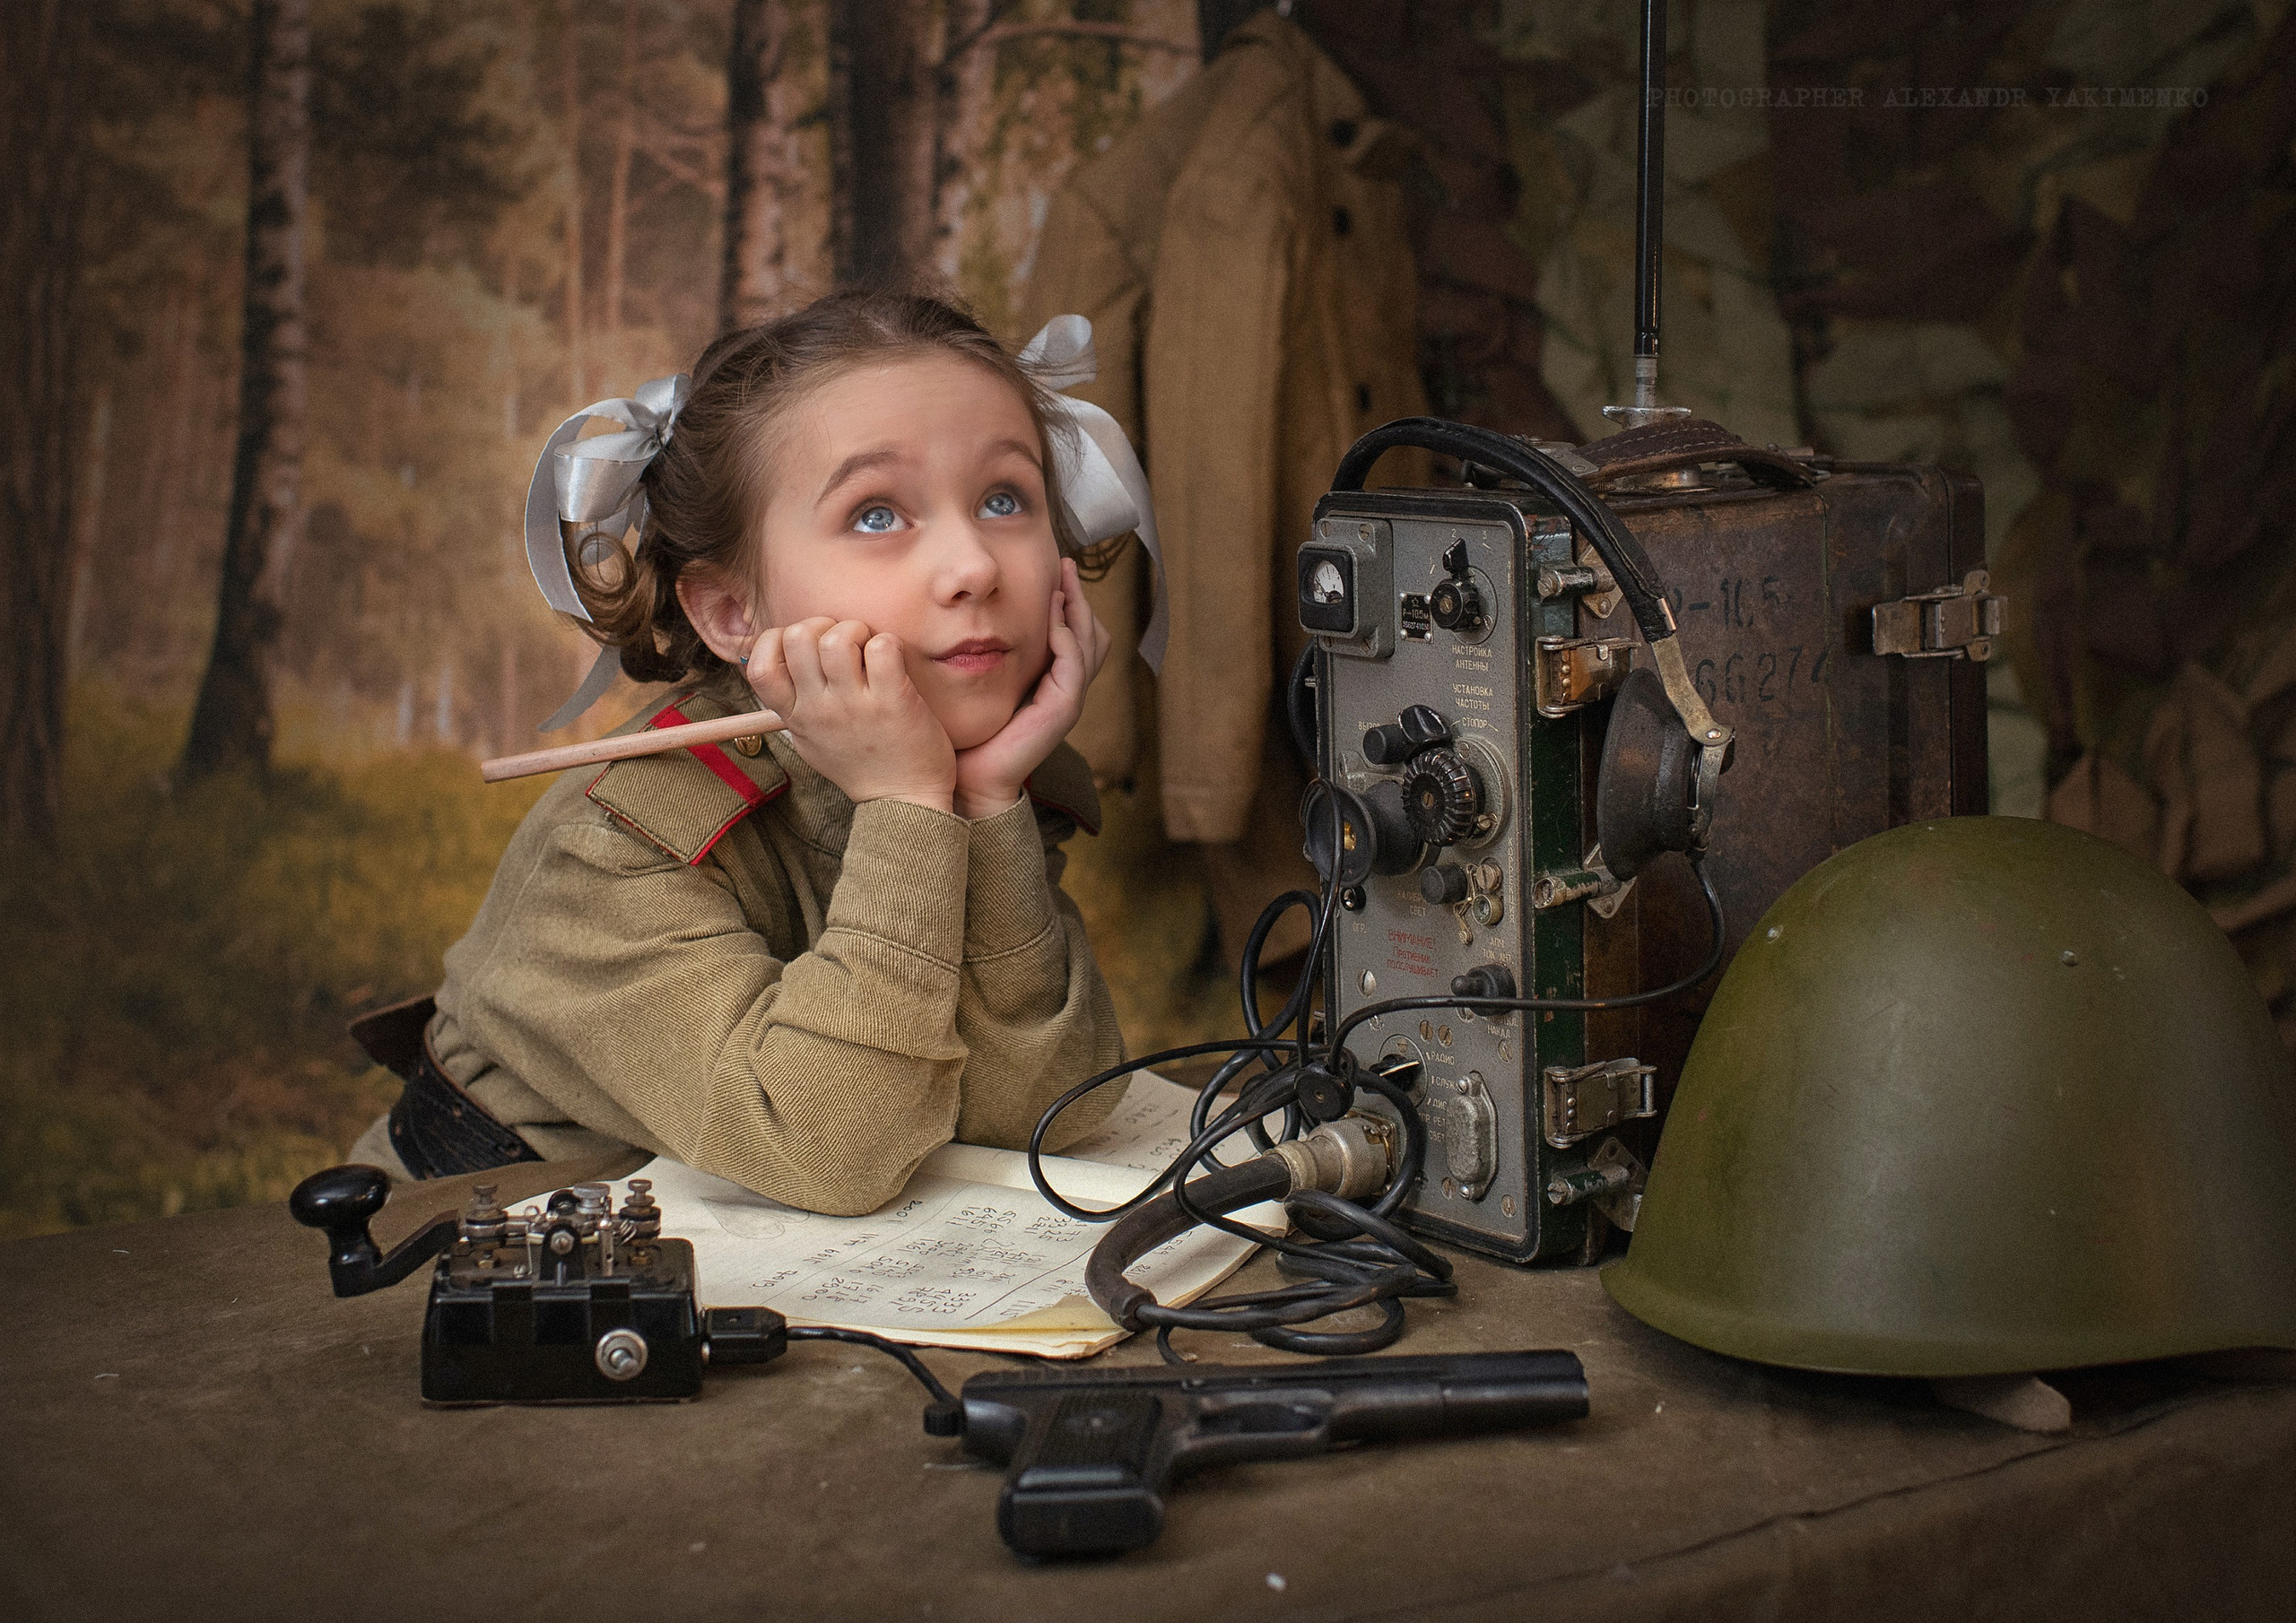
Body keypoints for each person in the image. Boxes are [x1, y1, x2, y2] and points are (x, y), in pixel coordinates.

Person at [347, 291, 1128, 1215]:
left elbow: (1042, 1114)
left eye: (1005, 498)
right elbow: (830, 1152)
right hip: (480, 1246)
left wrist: (989, 802)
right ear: (731, 613)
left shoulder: (979, 767)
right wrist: (907, 808)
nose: (975, 567)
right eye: (877, 515)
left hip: (764, 1251)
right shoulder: (614, 849)